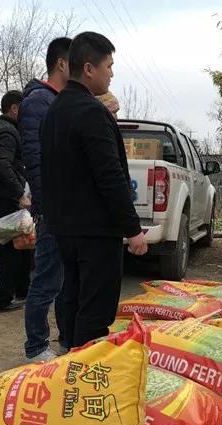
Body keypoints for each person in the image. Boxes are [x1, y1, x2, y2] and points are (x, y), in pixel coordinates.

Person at [40, 31, 148, 349]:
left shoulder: (54, 111)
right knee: (95, 311)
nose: (111, 74)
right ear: (89, 69)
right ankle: (86, 369)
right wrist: (132, 229)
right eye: (108, 66)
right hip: (96, 231)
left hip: (64, 228)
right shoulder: (92, 113)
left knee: (73, 300)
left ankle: (71, 360)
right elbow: (110, 177)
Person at [19, 36, 72, 362]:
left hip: (68, 205)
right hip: (53, 207)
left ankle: (67, 339)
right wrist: (45, 203)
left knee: (65, 279)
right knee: (47, 279)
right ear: (62, 64)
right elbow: (35, 159)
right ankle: (36, 346)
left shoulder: (61, 100)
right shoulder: (39, 102)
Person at [0, 90, 31, 313]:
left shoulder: (4, 128)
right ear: (15, 109)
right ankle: (1, 300)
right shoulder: (7, 132)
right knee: (11, 247)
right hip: (1, 197)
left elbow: (12, 165)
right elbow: (2, 164)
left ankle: (22, 292)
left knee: (21, 244)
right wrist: (20, 193)